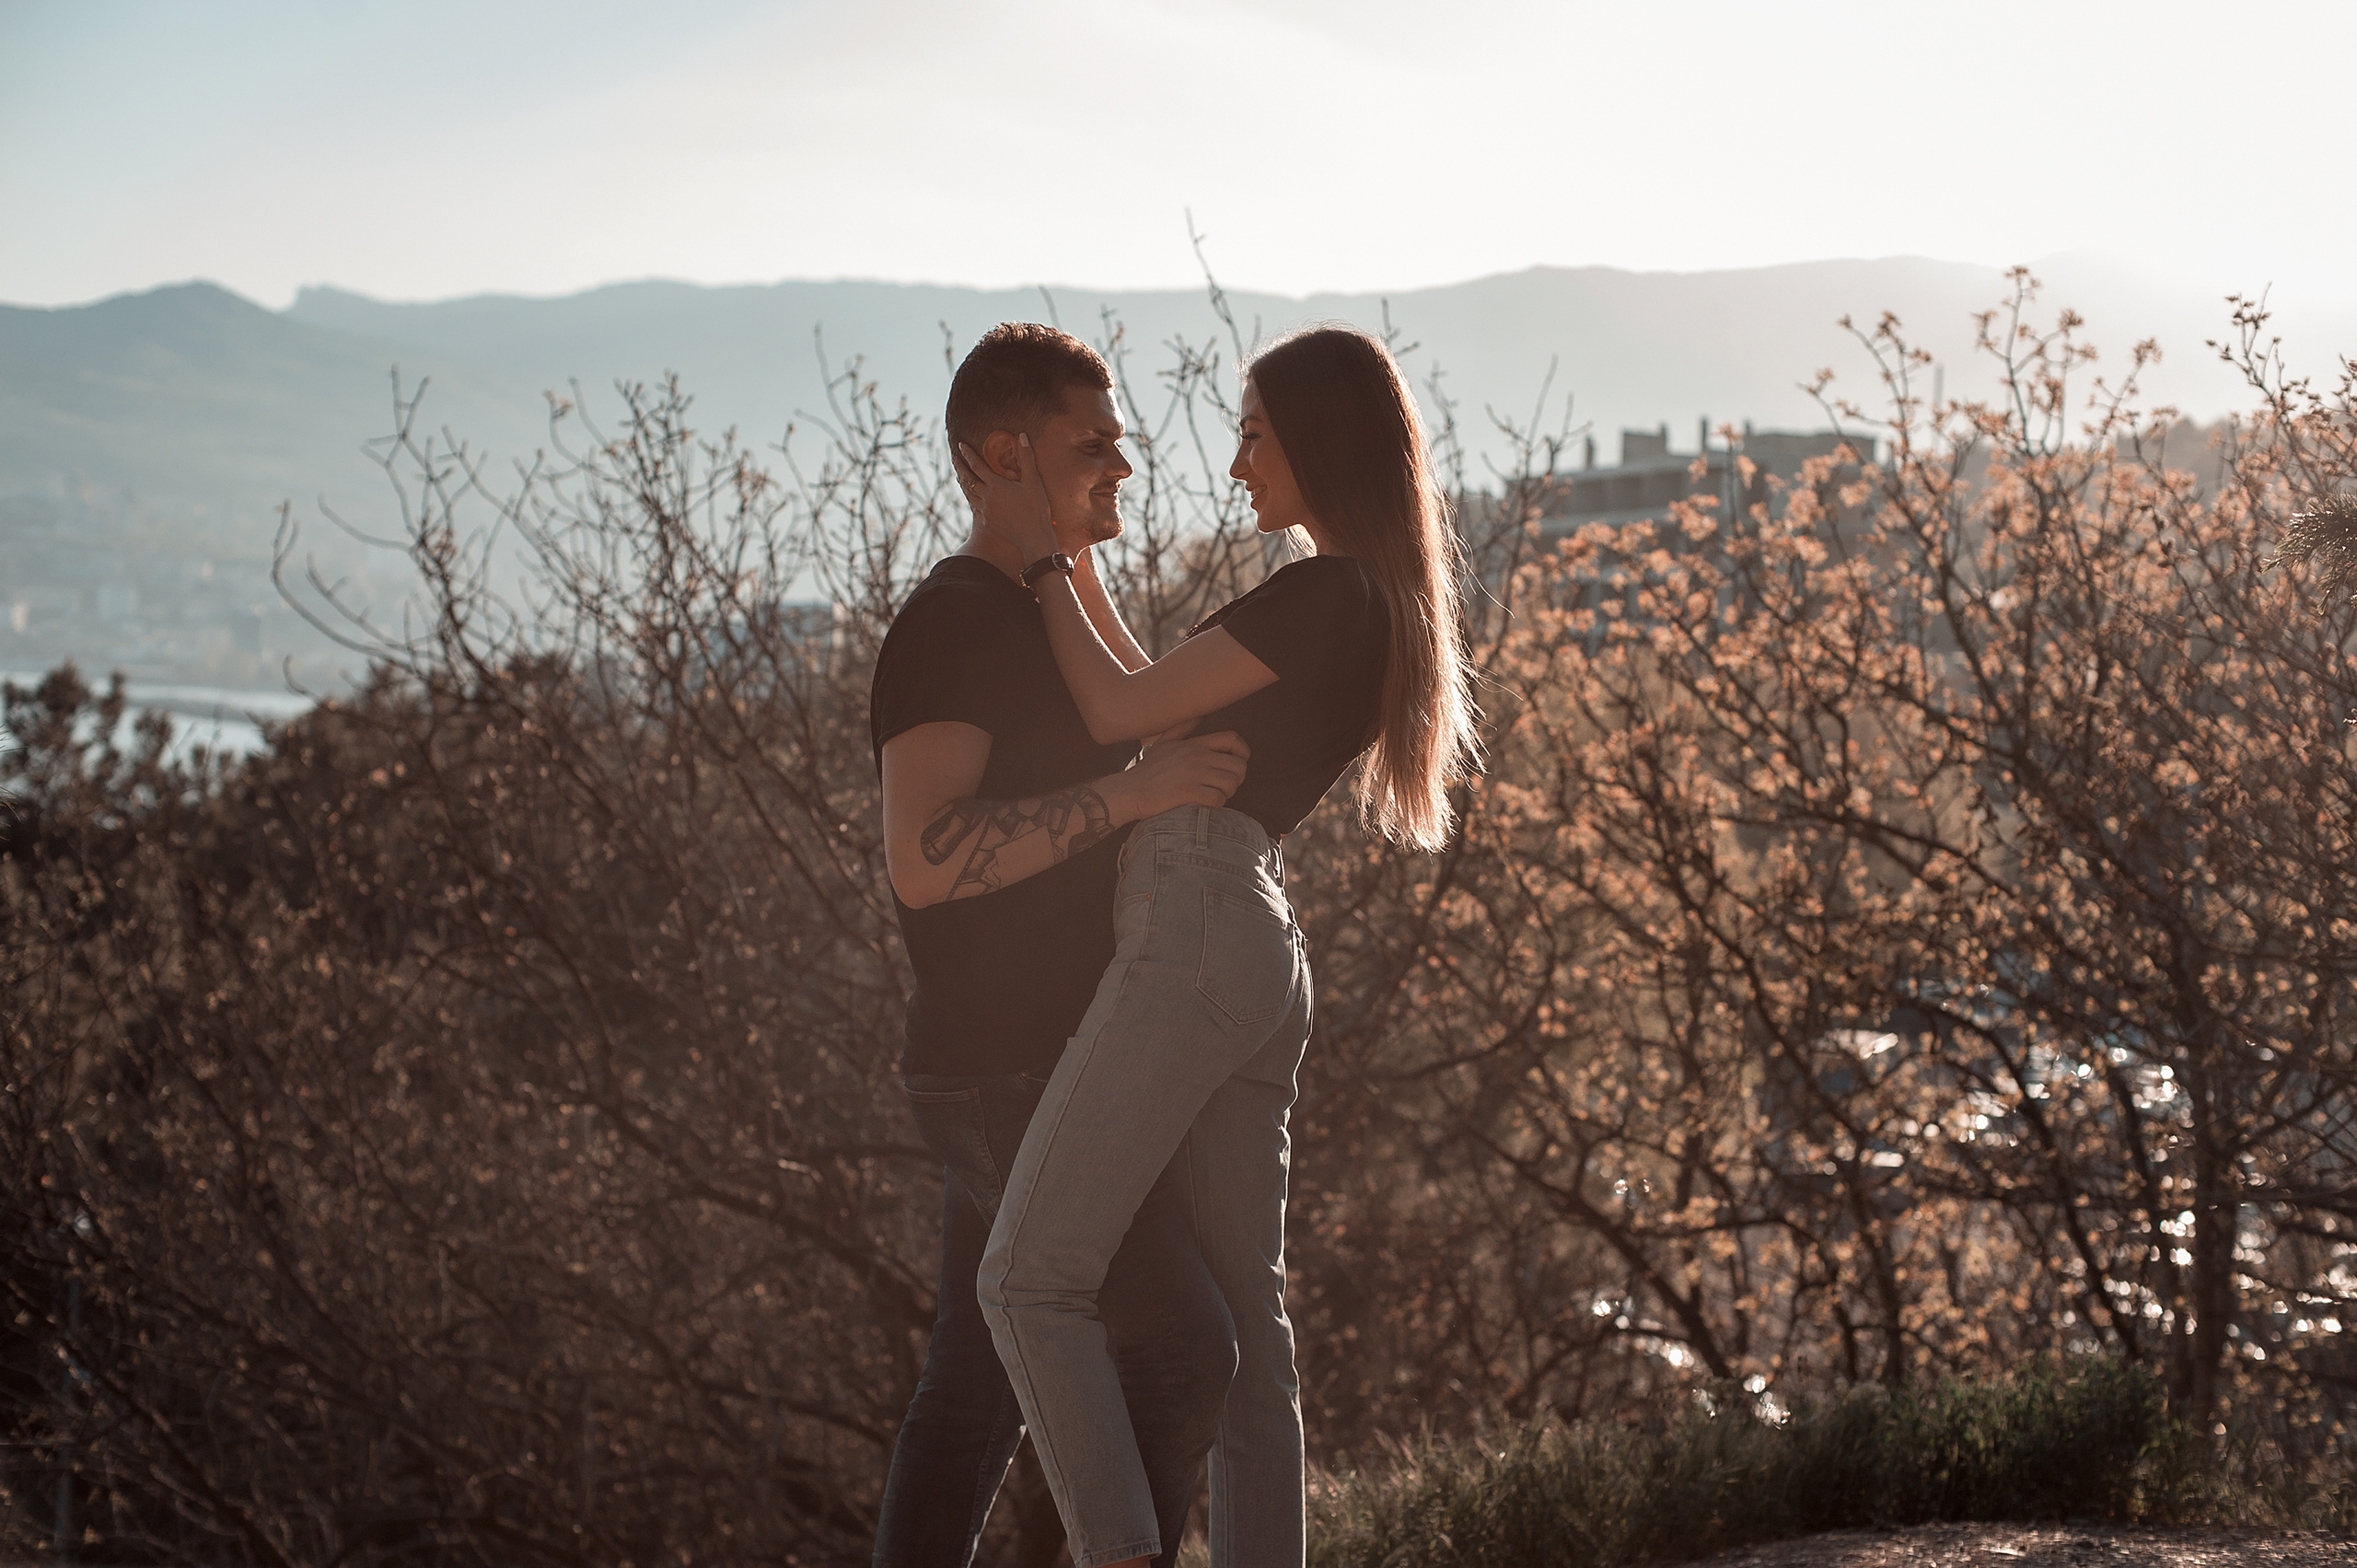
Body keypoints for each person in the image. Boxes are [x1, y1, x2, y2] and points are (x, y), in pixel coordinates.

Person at [959, 323, 1480, 1568]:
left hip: (1195, 927)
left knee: (1026, 1281)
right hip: (1248, 935)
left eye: (1254, 434)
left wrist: (1037, 561)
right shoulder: (1366, 600)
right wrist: (1079, 562)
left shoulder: (1323, 592)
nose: (1237, 463)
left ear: (1316, 439)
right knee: (1250, 1329)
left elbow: (1114, 709)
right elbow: (1151, 695)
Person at [869, 323, 1254, 1568]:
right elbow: (925, 860)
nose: (1124, 467)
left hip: (1047, 1058)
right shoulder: (952, 625)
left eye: (1121, 444)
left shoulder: (1046, 612)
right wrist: (1138, 796)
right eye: (1093, 446)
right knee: (1185, 1344)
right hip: (1005, 1072)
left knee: (973, 1392)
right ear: (998, 454)